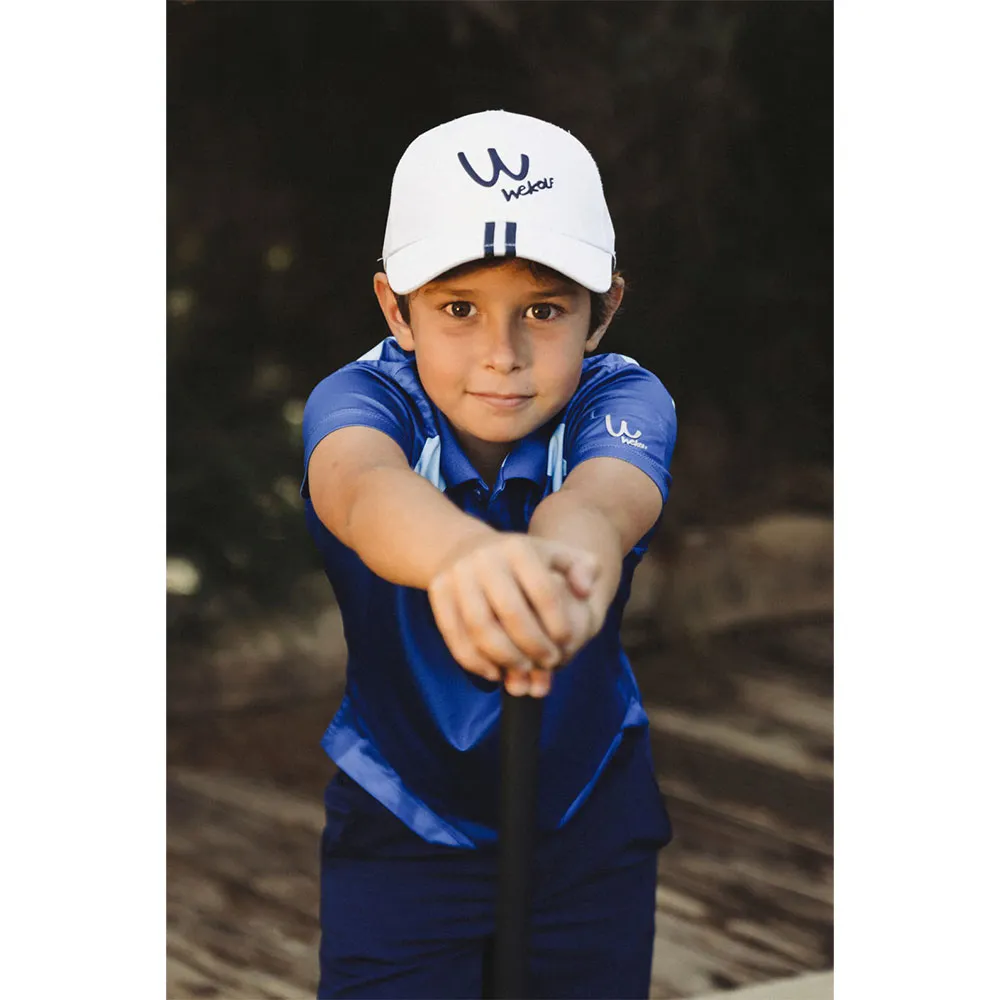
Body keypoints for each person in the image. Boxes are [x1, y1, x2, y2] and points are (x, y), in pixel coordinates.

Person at [301, 110, 678, 999]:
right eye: (458, 308)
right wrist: (464, 557)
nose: (501, 356)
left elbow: (600, 504)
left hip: (590, 812)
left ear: (603, 311)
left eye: (542, 310)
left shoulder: (624, 397)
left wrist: (565, 574)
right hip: (403, 816)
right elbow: (364, 490)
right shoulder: (360, 400)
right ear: (395, 307)